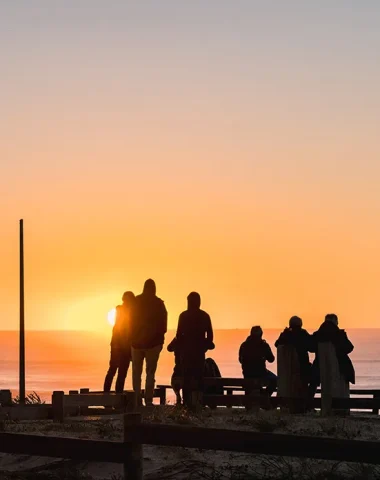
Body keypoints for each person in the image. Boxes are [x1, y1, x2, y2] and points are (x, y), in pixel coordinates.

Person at [131, 279, 167, 406]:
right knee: (150, 373)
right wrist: (159, 341)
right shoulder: (159, 303)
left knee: (136, 373)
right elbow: (164, 326)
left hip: (136, 344)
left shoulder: (136, 301)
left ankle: (136, 400)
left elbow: (128, 321)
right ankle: (149, 400)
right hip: (153, 345)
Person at [176, 292, 214, 408]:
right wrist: (205, 347)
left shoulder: (183, 316)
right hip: (199, 352)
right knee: (199, 377)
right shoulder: (204, 316)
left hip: (186, 353)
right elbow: (210, 335)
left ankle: (186, 403)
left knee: (186, 378)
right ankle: (198, 402)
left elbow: (178, 335)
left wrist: (182, 347)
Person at [310, 314, 355, 398]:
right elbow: (349, 347)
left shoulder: (317, 335)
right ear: (334, 321)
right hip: (340, 365)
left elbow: (310, 348)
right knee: (342, 384)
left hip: (319, 365)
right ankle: (340, 407)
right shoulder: (339, 334)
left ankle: (308, 405)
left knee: (313, 383)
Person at [103, 291, 135, 393]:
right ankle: (114, 395)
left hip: (117, 346)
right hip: (121, 347)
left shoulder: (120, 311)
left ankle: (108, 395)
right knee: (119, 373)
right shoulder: (127, 312)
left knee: (114, 371)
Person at [239, 326, 277, 396]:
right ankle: (265, 396)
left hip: (247, 374)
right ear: (261, 334)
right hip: (261, 373)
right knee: (275, 380)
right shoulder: (264, 345)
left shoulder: (244, 345)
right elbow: (271, 359)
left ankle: (260, 396)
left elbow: (240, 360)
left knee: (250, 385)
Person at [275, 316, 313, 385]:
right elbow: (311, 348)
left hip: (287, 367)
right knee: (314, 375)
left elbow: (277, 344)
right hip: (302, 366)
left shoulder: (285, 334)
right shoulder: (302, 333)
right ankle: (308, 394)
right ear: (300, 324)